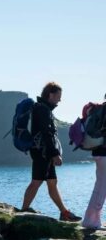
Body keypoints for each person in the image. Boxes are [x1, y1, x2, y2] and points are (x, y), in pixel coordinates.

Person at [21, 82, 81, 221]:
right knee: (36, 182)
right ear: (50, 95)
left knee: (52, 182)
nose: (60, 100)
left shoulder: (42, 108)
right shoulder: (42, 109)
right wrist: (55, 154)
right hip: (43, 152)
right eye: (58, 96)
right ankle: (23, 211)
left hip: (42, 151)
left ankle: (64, 212)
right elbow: (46, 133)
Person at [82, 97, 106, 229]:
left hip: (98, 153)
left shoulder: (99, 109)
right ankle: (91, 221)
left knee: (100, 187)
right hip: (104, 154)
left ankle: (93, 219)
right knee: (101, 189)